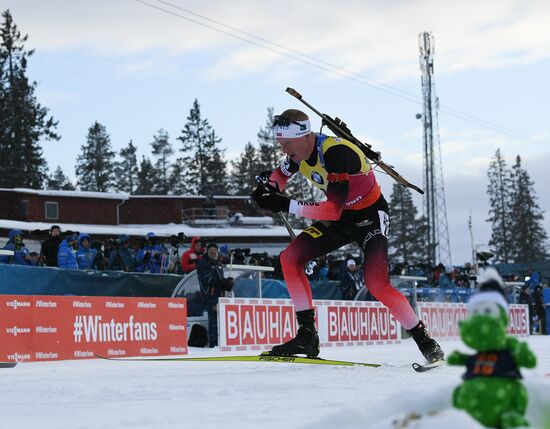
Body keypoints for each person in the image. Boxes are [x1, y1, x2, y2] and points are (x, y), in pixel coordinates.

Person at [250, 108, 444, 363]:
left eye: (287, 144)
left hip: (369, 216)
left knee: (376, 284)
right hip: (343, 218)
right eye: (281, 144)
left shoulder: (337, 153)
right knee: (290, 258)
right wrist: (267, 190)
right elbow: (279, 178)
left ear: (305, 136)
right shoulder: (298, 154)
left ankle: (425, 341)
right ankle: (307, 334)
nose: (284, 150)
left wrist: (286, 204)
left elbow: (331, 210)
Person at [196, 242, 234, 347]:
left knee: (221, 322)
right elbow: (207, 280)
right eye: (211, 250)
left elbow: (220, 282)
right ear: (207, 251)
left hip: (220, 296)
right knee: (214, 322)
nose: (213, 252)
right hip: (210, 296)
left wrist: (228, 284)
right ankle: (214, 345)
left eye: (215, 250)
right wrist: (222, 281)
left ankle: (221, 343)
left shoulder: (218, 263)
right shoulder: (203, 263)